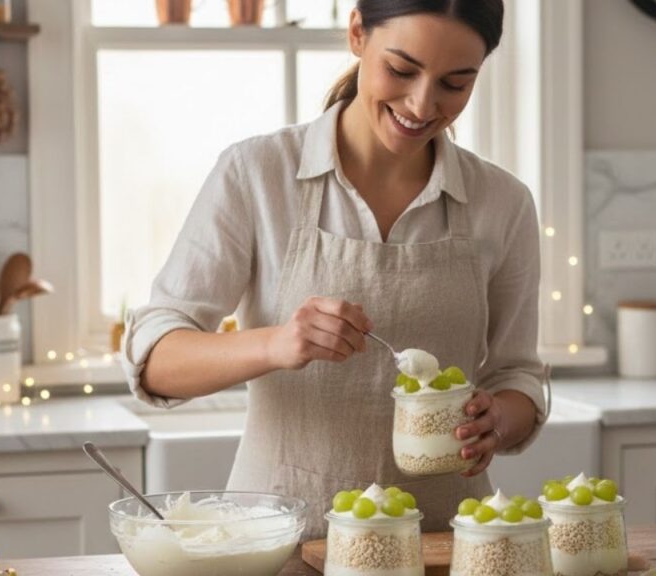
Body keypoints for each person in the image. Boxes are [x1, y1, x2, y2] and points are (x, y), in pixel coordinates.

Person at [122, 0, 546, 539]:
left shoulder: (503, 202)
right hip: (279, 542)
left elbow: (518, 377)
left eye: (455, 84)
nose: (422, 103)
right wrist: (277, 344)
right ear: (356, 33)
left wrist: (499, 421)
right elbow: (154, 358)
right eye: (401, 70)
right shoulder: (257, 173)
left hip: (442, 543)